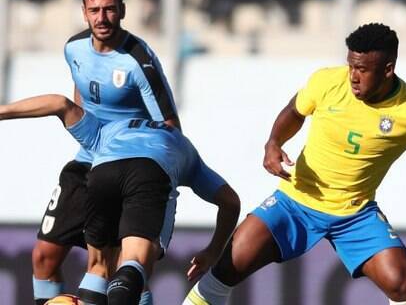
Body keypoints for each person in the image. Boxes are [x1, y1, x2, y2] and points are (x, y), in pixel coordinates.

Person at [184, 23, 406, 305]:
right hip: (295, 201)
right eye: (350, 65)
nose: (353, 75)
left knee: (401, 280)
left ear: (388, 69)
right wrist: (273, 143)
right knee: (228, 266)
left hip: (354, 215)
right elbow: (293, 112)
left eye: (362, 69)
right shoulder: (327, 82)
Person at [0, 94, 240, 305]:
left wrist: (3, 111)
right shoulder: (182, 145)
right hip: (149, 171)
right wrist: (213, 250)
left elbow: (60, 103)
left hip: (102, 173)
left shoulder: (110, 128)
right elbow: (230, 201)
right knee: (133, 262)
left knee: (98, 266)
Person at [32, 0, 180, 305]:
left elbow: (170, 126)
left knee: (117, 271)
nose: (103, 18)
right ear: (84, 12)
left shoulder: (139, 61)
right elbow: (79, 95)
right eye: (95, 10)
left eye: (110, 9)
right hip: (86, 162)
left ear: (123, 10)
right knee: (43, 256)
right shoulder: (74, 49)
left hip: (124, 167)